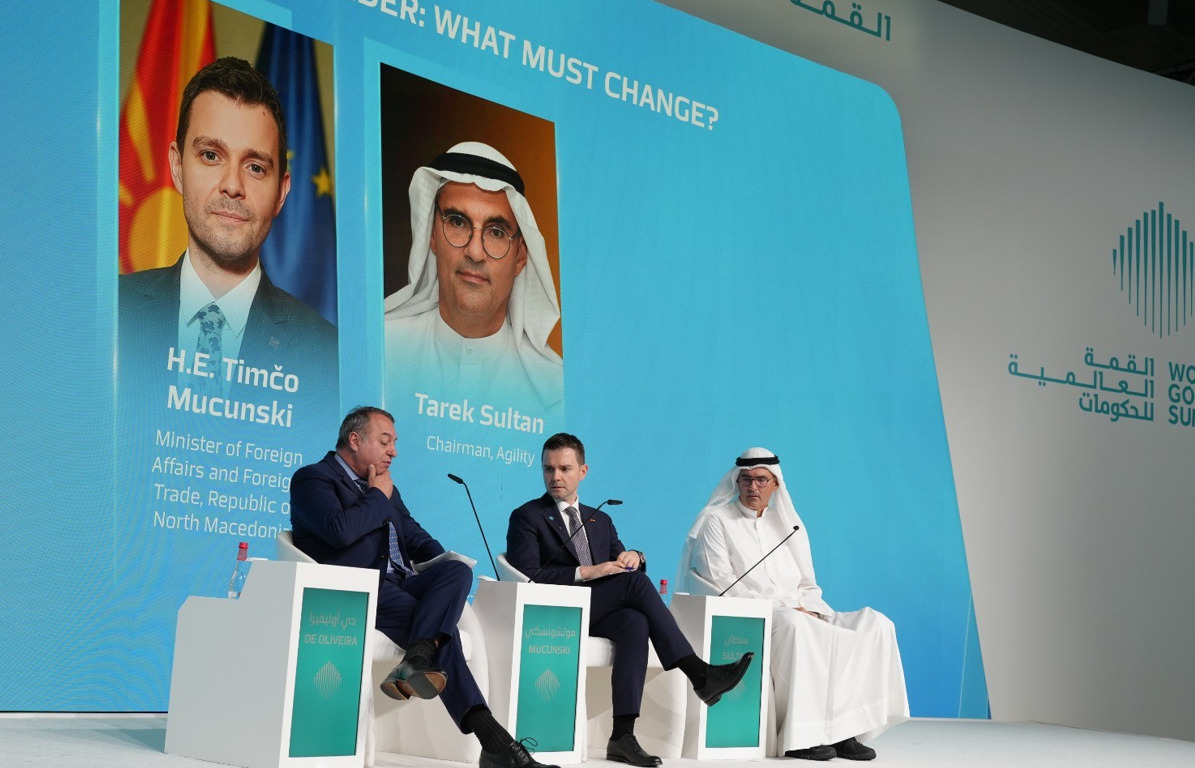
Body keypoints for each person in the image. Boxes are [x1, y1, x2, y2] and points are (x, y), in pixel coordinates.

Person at [290, 407, 557, 768]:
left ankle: (417, 657)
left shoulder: (384, 488)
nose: (394, 452)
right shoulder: (313, 479)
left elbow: (414, 537)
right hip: (358, 590)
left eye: (394, 443)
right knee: (445, 635)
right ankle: (496, 743)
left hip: (401, 583)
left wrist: (442, 561)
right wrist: (377, 496)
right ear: (354, 440)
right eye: (385, 441)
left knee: (456, 571)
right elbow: (339, 531)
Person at [506, 433, 754, 767]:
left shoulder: (600, 518)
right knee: (635, 587)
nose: (555, 477)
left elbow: (620, 565)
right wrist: (587, 571)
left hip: (597, 609)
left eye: (564, 468)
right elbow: (528, 574)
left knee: (634, 622)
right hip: (557, 609)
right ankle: (698, 672)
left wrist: (635, 556)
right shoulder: (527, 516)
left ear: (583, 471)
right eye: (548, 469)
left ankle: (622, 736)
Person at [119, 57, 337, 403]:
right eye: (211, 155)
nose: (232, 185)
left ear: (281, 192)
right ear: (177, 167)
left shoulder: (327, 357)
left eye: (255, 167)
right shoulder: (108, 311)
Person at [678, 448, 909, 761]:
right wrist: (783, 608)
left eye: (761, 479)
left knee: (875, 624)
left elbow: (808, 584)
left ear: (776, 484)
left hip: (803, 610)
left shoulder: (789, 526)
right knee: (797, 625)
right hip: (757, 614)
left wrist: (813, 610)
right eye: (746, 479)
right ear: (736, 482)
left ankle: (845, 730)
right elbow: (720, 584)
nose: (753, 486)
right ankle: (803, 738)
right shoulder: (717, 522)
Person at [383, 142, 562, 416]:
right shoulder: (378, 350)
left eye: (496, 232)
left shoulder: (555, 393)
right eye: (458, 222)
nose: (475, 252)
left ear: (520, 257)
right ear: (432, 236)